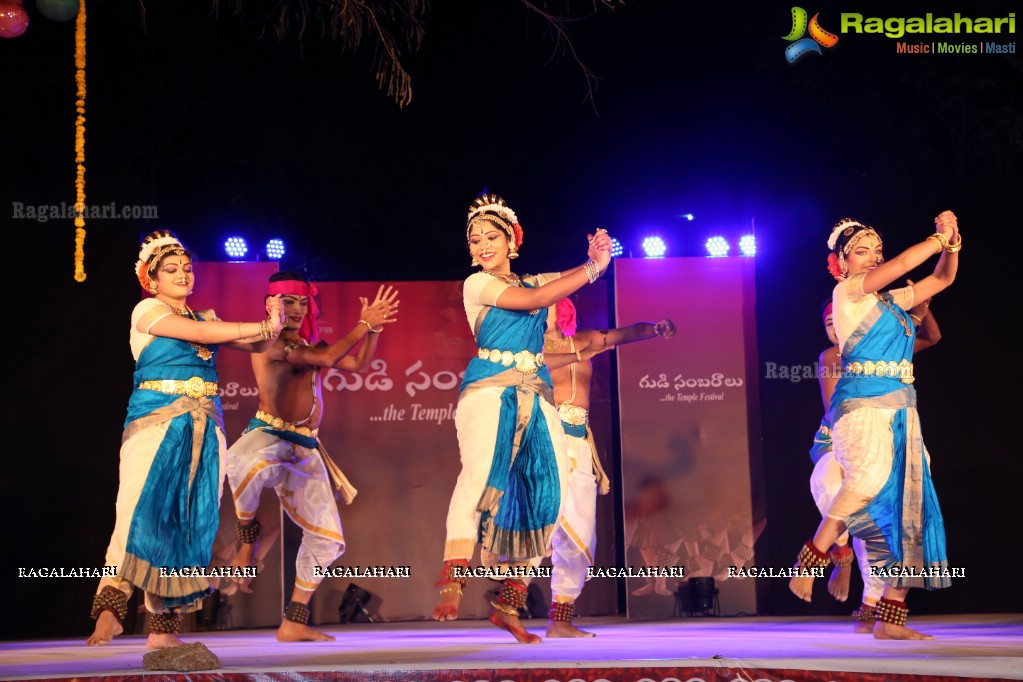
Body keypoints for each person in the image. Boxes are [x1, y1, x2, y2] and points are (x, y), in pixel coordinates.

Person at [87, 230, 285, 648]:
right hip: (157, 422)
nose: (182, 274)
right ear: (151, 279)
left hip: (205, 427)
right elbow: (213, 336)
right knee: (139, 512)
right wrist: (261, 324)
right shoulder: (148, 311)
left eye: (187, 268)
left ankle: (162, 632)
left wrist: (275, 321)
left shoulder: (206, 319)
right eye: (171, 269)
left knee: (190, 523)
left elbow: (257, 342)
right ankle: (111, 607)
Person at [431, 193, 612, 644]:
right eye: (474, 240)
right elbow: (543, 294)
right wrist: (591, 272)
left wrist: (592, 260)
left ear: (512, 241)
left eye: (491, 237)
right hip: (490, 391)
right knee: (480, 478)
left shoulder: (528, 281)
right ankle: (452, 579)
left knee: (552, 490)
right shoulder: (478, 285)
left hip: (537, 397)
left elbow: (553, 282)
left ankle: (509, 601)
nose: (481, 246)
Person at [789, 212, 960, 640]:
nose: (872, 258)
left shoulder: (892, 303)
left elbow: (940, 281)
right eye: (861, 251)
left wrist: (953, 245)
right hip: (861, 408)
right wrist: (937, 239)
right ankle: (809, 561)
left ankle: (890, 620)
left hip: (903, 412)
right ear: (842, 263)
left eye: (876, 251)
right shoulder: (848, 293)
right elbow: (904, 264)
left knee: (913, 512)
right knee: (864, 479)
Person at [223, 272, 399, 642]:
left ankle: (294, 620)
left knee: (328, 539)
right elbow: (334, 354)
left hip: (304, 448)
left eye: (303, 302)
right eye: (288, 301)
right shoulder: (266, 342)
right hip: (268, 436)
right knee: (245, 465)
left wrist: (375, 329)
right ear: (270, 304)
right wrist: (362, 323)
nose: (298, 309)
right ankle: (245, 545)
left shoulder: (309, 343)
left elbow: (358, 365)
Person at [541, 296, 676, 637]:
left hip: (578, 443)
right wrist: (578, 354)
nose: (550, 306)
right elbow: (540, 367)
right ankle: (507, 607)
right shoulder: (526, 350)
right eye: (542, 302)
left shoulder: (583, 340)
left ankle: (560, 619)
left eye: (556, 302)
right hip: (544, 440)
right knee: (538, 528)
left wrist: (653, 329)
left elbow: (621, 334)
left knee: (581, 532)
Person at [810, 292, 941, 632]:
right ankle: (840, 555)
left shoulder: (886, 346)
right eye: (829, 324)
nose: (835, 328)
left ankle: (875, 607)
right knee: (831, 487)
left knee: (889, 522)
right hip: (844, 435)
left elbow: (932, 337)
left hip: (891, 430)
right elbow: (833, 407)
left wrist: (920, 309)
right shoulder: (832, 356)